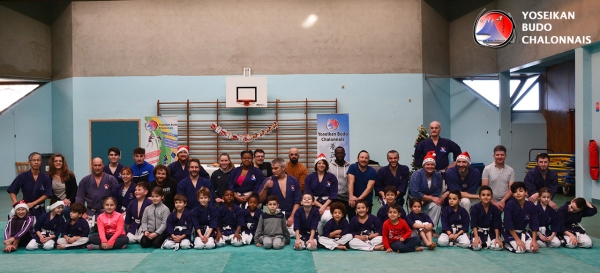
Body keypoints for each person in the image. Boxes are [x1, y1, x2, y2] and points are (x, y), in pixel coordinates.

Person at [258, 158, 301, 235]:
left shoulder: (293, 181)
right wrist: (265, 187)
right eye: (272, 168)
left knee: (295, 233)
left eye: (276, 168)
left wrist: (292, 217)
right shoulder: (268, 181)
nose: (273, 171)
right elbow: (260, 200)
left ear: (283, 168)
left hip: (290, 214)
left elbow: (297, 201)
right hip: (274, 215)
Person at [8, 152, 52, 220]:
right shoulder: (23, 176)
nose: (36, 162)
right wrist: (16, 204)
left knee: (40, 228)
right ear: (29, 162)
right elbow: (12, 190)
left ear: (41, 162)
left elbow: (47, 194)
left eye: (38, 160)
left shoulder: (45, 177)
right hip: (26, 208)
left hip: (40, 210)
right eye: (34, 160)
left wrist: (33, 203)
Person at [75, 157, 118, 222]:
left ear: (103, 165)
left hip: (107, 213)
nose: (97, 168)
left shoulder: (111, 179)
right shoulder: (85, 180)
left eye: (99, 165)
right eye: (95, 165)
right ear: (92, 166)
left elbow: (116, 198)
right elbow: (80, 198)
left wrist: (113, 213)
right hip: (89, 213)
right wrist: (82, 213)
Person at [304, 154, 338, 235]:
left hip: (327, 204)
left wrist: (324, 207)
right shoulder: (310, 177)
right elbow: (308, 194)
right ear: (316, 165)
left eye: (323, 163)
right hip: (312, 203)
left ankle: (323, 233)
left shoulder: (331, 177)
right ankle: (312, 232)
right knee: (310, 217)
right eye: (319, 163)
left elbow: (333, 194)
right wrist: (320, 206)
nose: (321, 165)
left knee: (326, 217)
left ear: (326, 165)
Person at [409, 151, 443, 231]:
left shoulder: (438, 175)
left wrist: (427, 199)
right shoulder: (416, 174)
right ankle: (418, 230)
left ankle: (431, 229)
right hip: (415, 200)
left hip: (427, 201)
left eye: (432, 164)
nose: (430, 166)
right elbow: (415, 192)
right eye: (427, 164)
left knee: (437, 204)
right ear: (424, 165)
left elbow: (438, 191)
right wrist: (424, 199)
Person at [503, 182, 539, 253]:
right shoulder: (510, 205)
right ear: (513, 194)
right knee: (520, 250)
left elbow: (534, 223)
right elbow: (508, 224)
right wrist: (518, 240)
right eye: (515, 192)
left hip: (522, 232)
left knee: (532, 249)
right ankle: (507, 243)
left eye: (521, 191)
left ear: (526, 192)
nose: (518, 193)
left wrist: (534, 241)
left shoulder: (531, 205)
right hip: (510, 232)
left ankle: (522, 241)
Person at [481, 145, 515, 212]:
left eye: (502, 155)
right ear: (494, 156)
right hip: (489, 200)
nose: (499, 157)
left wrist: (503, 201)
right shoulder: (487, 169)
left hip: (506, 200)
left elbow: (511, 189)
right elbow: (484, 188)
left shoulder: (510, 170)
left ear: (505, 156)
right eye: (497, 155)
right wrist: (494, 203)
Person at [469, 186, 502, 251]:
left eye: (488, 195)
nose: (486, 197)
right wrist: (476, 238)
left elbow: (497, 225)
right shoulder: (475, 208)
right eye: (483, 195)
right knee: (476, 247)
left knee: (498, 246)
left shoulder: (494, 209)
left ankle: (486, 244)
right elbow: (474, 224)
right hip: (478, 232)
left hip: (491, 232)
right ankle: (483, 243)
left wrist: (497, 238)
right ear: (480, 197)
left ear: (492, 197)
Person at [47, 153, 77, 218]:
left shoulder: (70, 175)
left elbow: (75, 189)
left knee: (66, 211)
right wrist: (61, 201)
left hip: (68, 202)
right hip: (55, 201)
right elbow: (49, 192)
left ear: (63, 163)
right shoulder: (48, 176)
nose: (58, 163)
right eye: (56, 161)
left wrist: (69, 201)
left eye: (60, 161)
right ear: (53, 163)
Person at [347, 150, 377, 214]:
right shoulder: (352, 167)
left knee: (366, 223)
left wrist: (358, 200)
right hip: (352, 202)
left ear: (368, 160)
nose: (364, 159)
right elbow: (350, 182)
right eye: (362, 157)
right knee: (352, 222)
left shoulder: (372, 171)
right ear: (357, 158)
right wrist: (351, 197)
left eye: (366, 158)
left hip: (366, 203)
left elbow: (369, 188)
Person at [329, 146, 352, 218]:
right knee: (336, 218)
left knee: (352, 216)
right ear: (335, 154)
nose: (340, 155)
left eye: (342, 153)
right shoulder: (329, 166)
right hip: (334, 197)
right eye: (338, 153)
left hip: (346, 197)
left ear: (344, 154)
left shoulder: (350, 166)